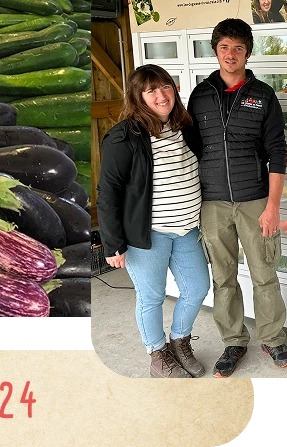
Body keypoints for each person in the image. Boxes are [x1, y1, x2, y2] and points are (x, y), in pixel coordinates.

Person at [186, 18, 287, 377]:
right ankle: (233, 341)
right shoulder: (199, 96)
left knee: (265, 274)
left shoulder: (263, 95)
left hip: (254, 201)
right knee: (223, 277)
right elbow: (193, 149)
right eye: (224, 47)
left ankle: (272, 337)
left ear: (248, 52)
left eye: (238, 48)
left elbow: (277, 152)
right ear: (215, 51)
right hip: (212, 204)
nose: (231, 54)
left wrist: (272, 206)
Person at [97, 64, 211, 379]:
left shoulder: (184, 126)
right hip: (147, 236)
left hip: (187, 230)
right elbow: (107, 194)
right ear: (138, 97)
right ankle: (157, 354)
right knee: (152, 297)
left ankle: (179, 340)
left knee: (198, 286)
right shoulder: (123, 137)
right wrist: (113, 244)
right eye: (151, 91)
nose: (161, 96)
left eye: (165, 87)